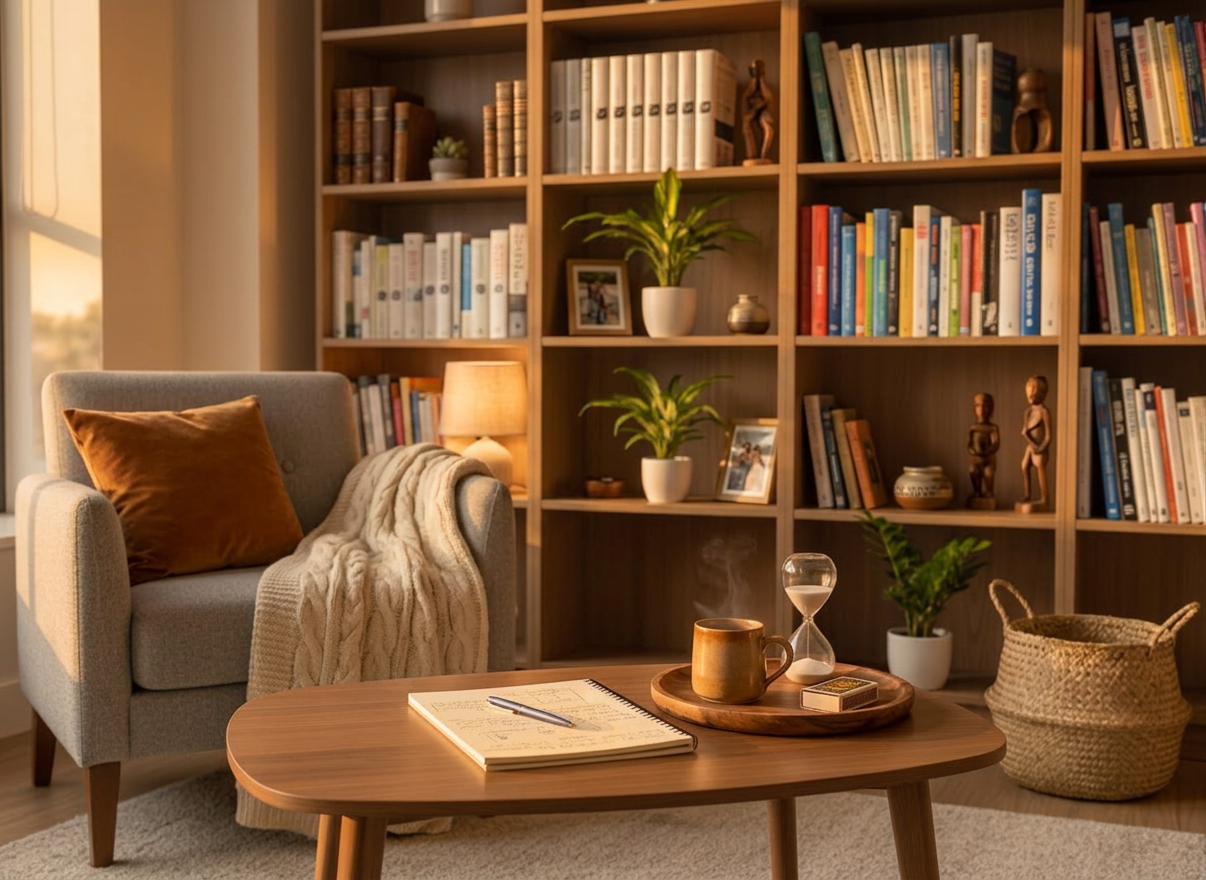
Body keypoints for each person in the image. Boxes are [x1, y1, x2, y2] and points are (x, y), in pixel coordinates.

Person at [1017, 375, 1052, 511]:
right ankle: (1027, 495)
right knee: (1024, 466)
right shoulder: (1029, 412)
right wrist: (1029, 440)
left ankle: (1045, 499)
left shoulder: (1044, 412)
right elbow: (1025, 431)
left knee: (1040, 469)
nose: (1030, 395)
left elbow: (1048, 436)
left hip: (1040, 448)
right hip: (1031, 447)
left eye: (1033, 391)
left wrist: (1041, 448)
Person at [967, 392, 1000, 508]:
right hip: (975, 459)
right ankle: (977, 491)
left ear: (991, 408)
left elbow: (996, 444)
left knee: (989, 473)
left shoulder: (993, 428)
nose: (981, 409)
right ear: (974, 408)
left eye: (985, 406)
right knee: (973, 471)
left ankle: (989, 492)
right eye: (978, 405)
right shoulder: (973, 428)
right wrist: (973, 451)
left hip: (988, 459)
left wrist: (988, 452)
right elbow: (969, 443)